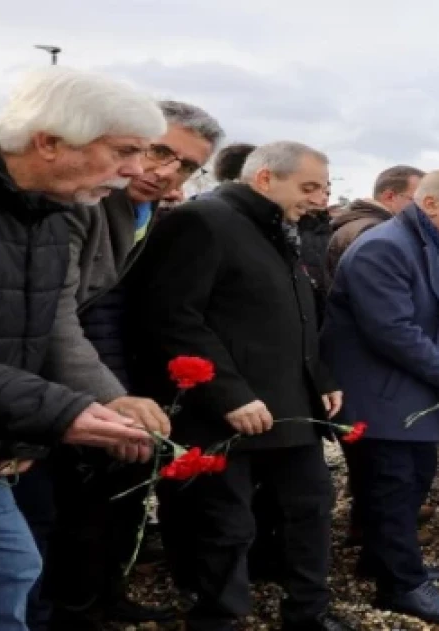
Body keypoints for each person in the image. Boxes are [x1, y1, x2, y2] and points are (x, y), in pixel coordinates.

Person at [0, 65, 161, 631]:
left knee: (5, 569)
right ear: (48, 141)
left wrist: (102, 400)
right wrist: (57, 412)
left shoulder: (45, 209)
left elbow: (39, 329)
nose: (137, 170)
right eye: (125, 151)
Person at [126, 141, 351, 631]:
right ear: (266, 178)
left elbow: (296, 313)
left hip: (290, 403)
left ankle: (308, 612)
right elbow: (172, 316)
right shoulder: (202, 221)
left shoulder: (278, 227)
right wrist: (229, 394)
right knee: (225, 523)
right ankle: (218, 617)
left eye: (322, 188)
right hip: (223, 411)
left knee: (311, 508)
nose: (320, 199)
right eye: (308, 187)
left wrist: (321, 378)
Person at [34, 99, 222, 630]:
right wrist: (111, 396)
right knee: (65, 518)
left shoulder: (143, 210)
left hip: (102, 372)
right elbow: (59, 314)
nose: (165, 172)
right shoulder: (81, 202)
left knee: (111, 507)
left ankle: (103, 599)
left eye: (186, 165)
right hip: (53, 380)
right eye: (159, 151)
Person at [321, 169, 439, 624]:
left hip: (408, 386)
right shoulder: (384, 247)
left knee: (413, 479)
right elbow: (391, 329)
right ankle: (401, 585)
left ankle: (382, 560)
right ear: (429, 203)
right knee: (392, 487)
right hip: (379, 389)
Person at [326, 164, 424, 279]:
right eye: (419, 200)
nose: (425, 208)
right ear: (389, 197)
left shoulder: (363, 225)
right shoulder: (375, 232)